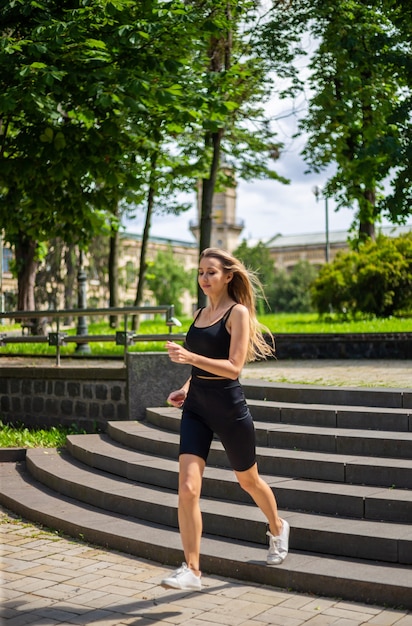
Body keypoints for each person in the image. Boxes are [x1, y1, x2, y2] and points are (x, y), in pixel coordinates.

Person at [160, 247, 289, 592]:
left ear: (228, 275)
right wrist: (185, 387)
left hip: (230, 410)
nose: (204, 278)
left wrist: (189, 356)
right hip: (197, 408)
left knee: (249, 481)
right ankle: (192, 569)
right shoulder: (200, 313)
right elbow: (200, 366)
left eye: (211, 272)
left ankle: (277, 527)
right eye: (201, 272)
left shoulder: (238, 312)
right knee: (187, 488)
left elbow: (233, 367)